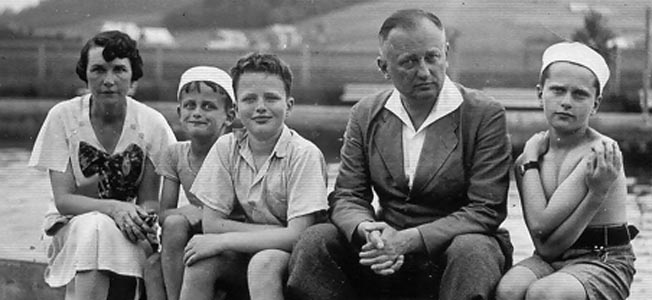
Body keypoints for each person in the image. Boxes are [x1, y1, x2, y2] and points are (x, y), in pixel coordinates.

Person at [287, 8, 513, 300]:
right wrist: (368, 231)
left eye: (432, 57)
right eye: (409, 62)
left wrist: (408, 240)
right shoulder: (366, 113)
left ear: (446, 53)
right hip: (384, 248)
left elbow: (486, 209)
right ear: (384, 67)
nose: (424, 71)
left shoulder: (484, 114)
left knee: (472, 249)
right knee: (316, 240)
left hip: (452, 251)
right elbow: (347, 195)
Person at [27, 30, 176, 300]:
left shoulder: (151, 124)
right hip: (71, 226)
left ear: (133, 76)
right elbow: (64, 201)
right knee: (94, 228)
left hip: (131, 226)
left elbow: (150, 202)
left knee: (100, 231)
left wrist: (134, 217)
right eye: (98, 70)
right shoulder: (63, 117)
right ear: (85, 74)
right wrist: (113, 208)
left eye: (119, 70)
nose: (108, 81)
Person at [178, 52, 329, 300]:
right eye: (249, 99)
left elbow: (297, 236)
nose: (260, 107)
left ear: (288, 105)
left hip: (297, 259)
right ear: (236, 108)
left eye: (271, 98)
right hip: (250, 250)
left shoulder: (304, 154)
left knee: (263, 262)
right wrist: (272, 231)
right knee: (199, 261)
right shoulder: (227, 147)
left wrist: (225, 240)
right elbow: (212, 224)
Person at [495, 42, 638, 300]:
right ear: (540, 94)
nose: (566, 102)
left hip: (602, 258)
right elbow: (543, 244)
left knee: (545, 294)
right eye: (558, 91)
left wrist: (530, 161)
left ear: (596, 104)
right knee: (508, 289)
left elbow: (542, 224)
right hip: (552, 257)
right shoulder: (529, 158)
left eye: (579, 94)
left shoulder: (600, 152)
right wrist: (528, 160)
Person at [143, 66, 236, 300]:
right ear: (179, 111)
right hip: (194, 235)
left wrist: (205, 213)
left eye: (208, 106)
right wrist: (185, 211)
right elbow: (164, 215)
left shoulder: (234, 153)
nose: (197, 112)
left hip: (228, 237)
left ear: (230, 115)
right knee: (154, 262)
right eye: (190, 105)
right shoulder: (175, 154)